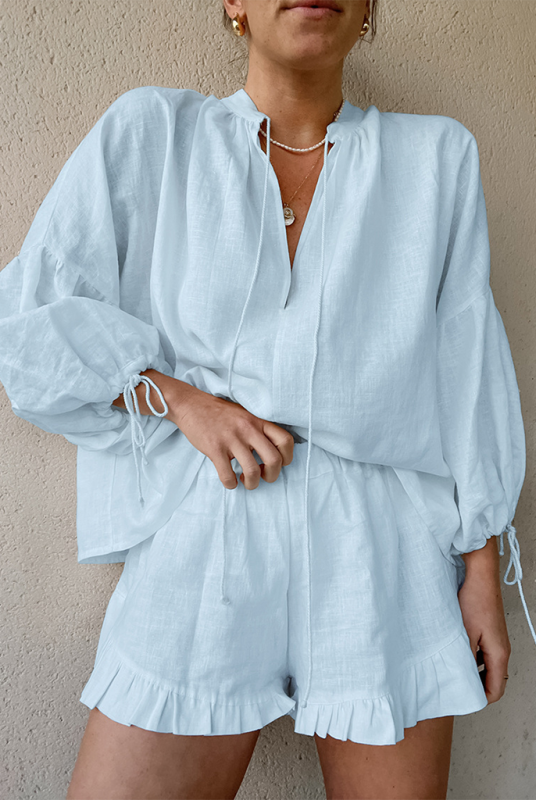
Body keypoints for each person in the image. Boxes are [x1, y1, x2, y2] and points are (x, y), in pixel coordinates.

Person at [0, 1, 533, 798]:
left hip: (384, 547)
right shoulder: (156, 135)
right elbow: (26, 323)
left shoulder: (435, 158)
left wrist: (481, 568)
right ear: (234, 4)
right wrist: (175, 397)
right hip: (208, 528)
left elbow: (469, 369)